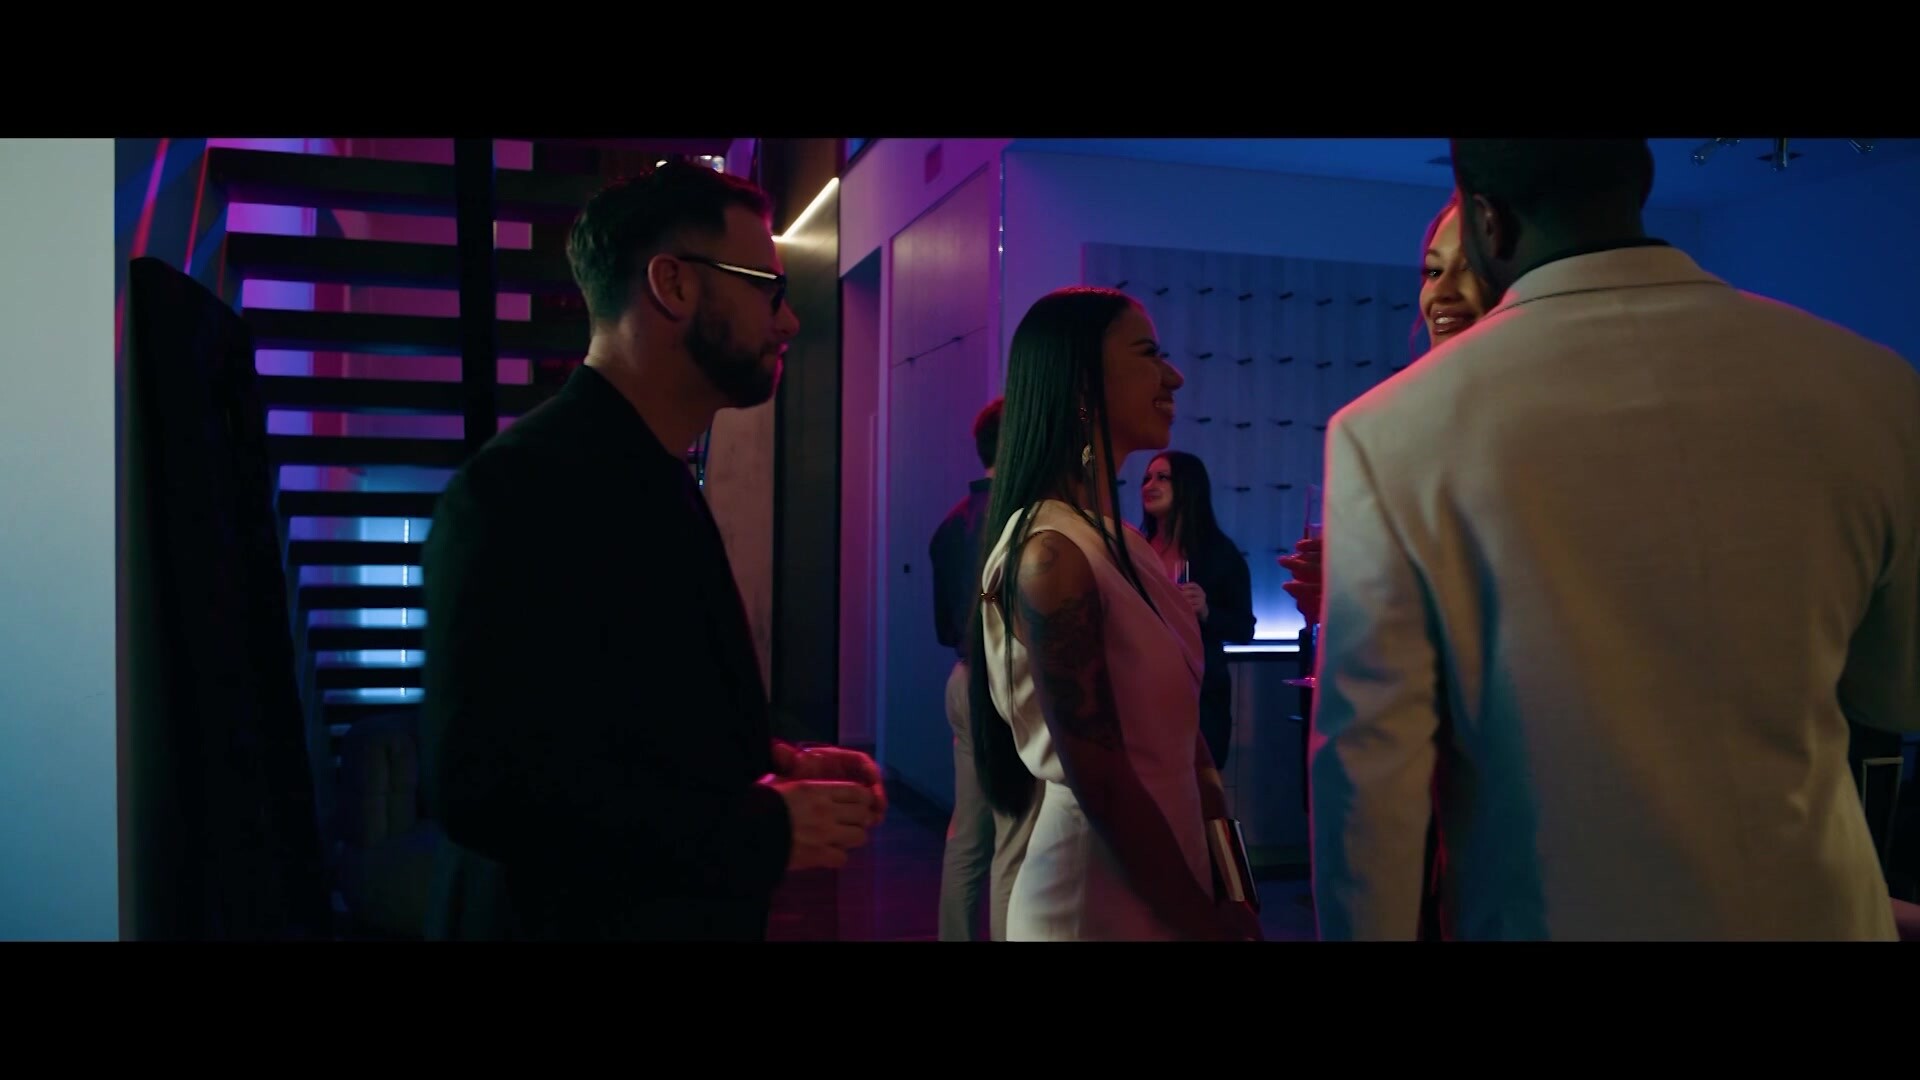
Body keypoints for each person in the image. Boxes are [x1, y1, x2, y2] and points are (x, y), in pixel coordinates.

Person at [1308, 138, 1920, 940]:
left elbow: (1368, 776)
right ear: (1641, 180)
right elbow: (1896, 693)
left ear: (1489, 221)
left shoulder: (1385, 431)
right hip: (1817, 912)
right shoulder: (1873, 386)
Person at [420, 162, 885, 941]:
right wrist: (759, 826)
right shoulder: (518, 490)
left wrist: (770, 762)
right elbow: (484, 786)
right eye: (768, 289)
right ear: (673, 285)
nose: (789, 322)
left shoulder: (647, 469)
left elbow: (613, 715)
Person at [970, 286, 1262, 941]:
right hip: (1094, 902)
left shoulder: (1122, 543)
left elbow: (1187, 742)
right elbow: (1101, 782)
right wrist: (1203, 922)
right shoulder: (1050, 555)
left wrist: (1231, 883)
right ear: (1083, 386)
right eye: (1149, 354)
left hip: (1170, 883)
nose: (1174, 376)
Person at [929, 397, 1036, 941]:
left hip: (962, 678)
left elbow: (942, 626)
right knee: (1013, 840)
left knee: (966, 838)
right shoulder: (1021, 518)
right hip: (1006, 680)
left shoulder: (951, 523)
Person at [1140, 450, 1256, 767]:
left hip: (1200, 698)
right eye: (1146, 479)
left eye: (1162, 478)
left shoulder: (1220, 553)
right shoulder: (1135, 550)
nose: (1149, 485)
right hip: (1142, 694)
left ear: (1188, 486)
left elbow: (1244, 628)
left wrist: (1206, 611)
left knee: (1199, 785)